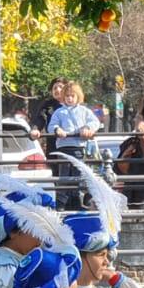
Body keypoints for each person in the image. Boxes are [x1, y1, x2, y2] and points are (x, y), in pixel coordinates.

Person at [47, 81, 102, 209]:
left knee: (78, 174)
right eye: (67, 96)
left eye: (72, 96)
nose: (70, 99)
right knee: (64, 175)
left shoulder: (84, 111)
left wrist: (88, 128)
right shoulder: (59, 112)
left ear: (78, 97)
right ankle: (62, 202)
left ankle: (76, 200)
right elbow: (51, 126)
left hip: (79, 147)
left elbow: (95, 122)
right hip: (63, 147)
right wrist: (57, 130)